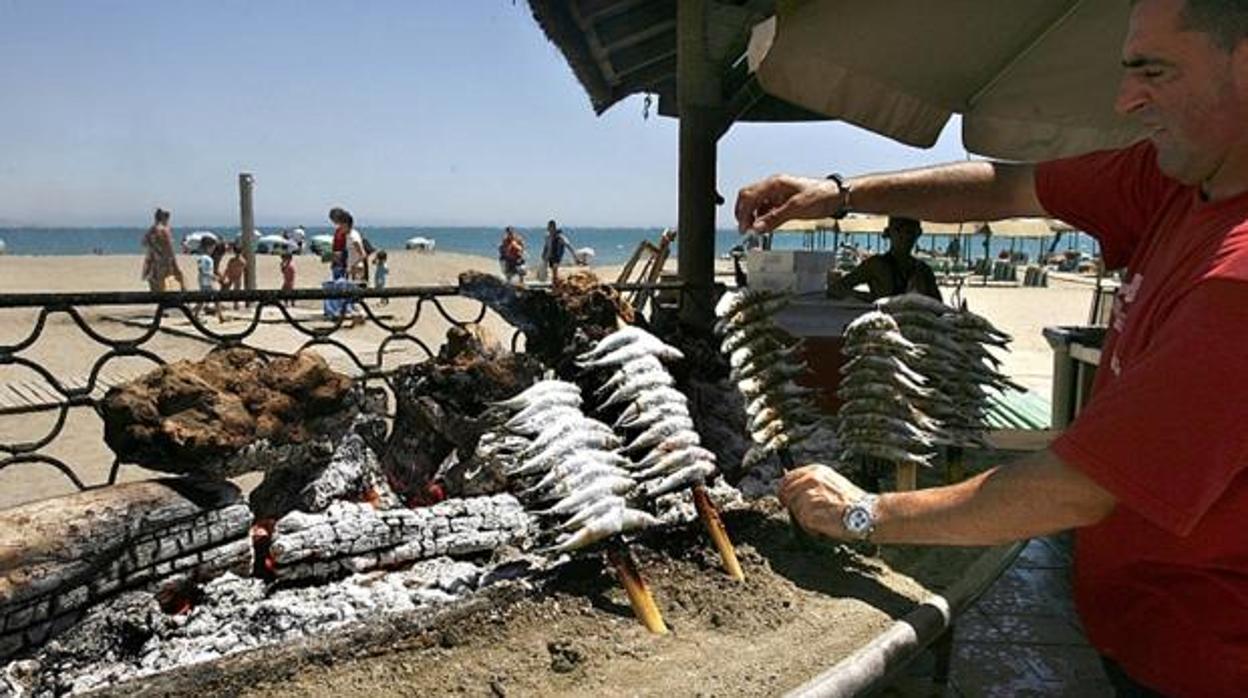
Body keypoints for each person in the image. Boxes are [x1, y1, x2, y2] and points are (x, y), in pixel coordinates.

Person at [733, 1, 1248, 693]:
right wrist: (835, 195)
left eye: (1153, 71)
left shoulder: (1236, 284)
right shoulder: (1179, 179)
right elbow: (1008, 184)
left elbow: (1073, 489)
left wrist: (861, 515)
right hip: (1142, 629)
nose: (1126, 101)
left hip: (1210, 657)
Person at [827, 216, 941, 302]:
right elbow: (836, 289)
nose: (905, 237)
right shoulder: (876, 265)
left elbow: (939, 307)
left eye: (909, 232)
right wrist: (872, 299)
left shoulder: (923, 271)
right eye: (899, 230)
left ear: (917, 234)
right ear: (888, 233)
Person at [140, 208, 185, 292]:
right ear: (164, 218)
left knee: (154, 282)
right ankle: (183, 293)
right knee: (175, 276)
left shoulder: (151, 229)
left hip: (152, 258)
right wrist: (173, 260)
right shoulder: (164, 230)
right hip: (163, 258)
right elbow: (169, 247)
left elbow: (143, 243)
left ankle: (159, 301)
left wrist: (153, 246)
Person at [192, 238, 224, 323]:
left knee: (202, 299)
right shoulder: (204, 258)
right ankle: (220, 316)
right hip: (207, 281)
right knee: (215, 297)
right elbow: (202, 269)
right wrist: (213, 276)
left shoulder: (205, 257)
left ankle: (196, 315)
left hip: (205, 281)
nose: (213, 250)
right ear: (208, 247)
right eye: (213, 248)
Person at [222, 244, 247, 310]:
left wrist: (224, 277)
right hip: (237, 278)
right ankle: (236, 305)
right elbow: (244, 270)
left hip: (231, 276)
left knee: (225, 290)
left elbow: (227, 269)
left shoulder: (232, 260)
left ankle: (233, 305)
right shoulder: (243, 261)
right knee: (236, 292)